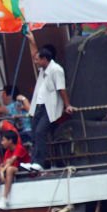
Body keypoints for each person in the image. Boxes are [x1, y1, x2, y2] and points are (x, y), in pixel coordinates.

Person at [24, 36, 72, 172]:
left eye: (38, 59)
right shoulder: (43, 69)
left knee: (40, 132)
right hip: (39, 106)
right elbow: (34, 54)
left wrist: (67, 105)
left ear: (45, 59)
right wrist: (32, 40)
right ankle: (34, 162)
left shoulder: (56, 70)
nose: (36, 61)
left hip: (49, 107)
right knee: (34, 133)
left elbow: (61, 88)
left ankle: (40, 162)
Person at [0, 129, 30, 210]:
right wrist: (1, 168)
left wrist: (2, 171)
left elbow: (11, 161)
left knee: (9, 169)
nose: (1, 143)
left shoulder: (19, 148)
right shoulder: (7, 151)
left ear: (10, 141)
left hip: (24, 170)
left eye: (3, 140)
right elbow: (5, 163)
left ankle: (5, 198)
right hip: (13, 169)